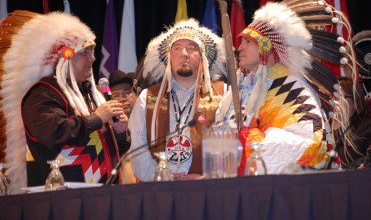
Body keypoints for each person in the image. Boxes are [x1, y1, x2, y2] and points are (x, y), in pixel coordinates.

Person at [216, 0, 358, 175]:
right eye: (240, 41)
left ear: (266, 47)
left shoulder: (290, 89)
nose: (239, 47)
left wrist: (245, 140)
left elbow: (306, 145)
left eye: (248, 42)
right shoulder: (239, 89)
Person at [0, 11, 129, 193]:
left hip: (100, 195)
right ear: (64, 57)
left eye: (92, 50)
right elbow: (53, 132)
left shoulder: (91, 95)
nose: (92, 57)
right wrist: (97, 118)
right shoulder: (43, 93)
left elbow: (103, 148)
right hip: (62, 200)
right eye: (84, 51)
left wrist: (119, 134)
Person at [128, 19, 226, 181]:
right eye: (178, 48)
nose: (184, 54)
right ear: (169, 56)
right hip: (159, 193)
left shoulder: (223, 94)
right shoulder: (147, 98)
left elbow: (229, 146)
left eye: (191, 48)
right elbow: (137, 149)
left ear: (203, 57)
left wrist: (206, 178)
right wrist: (162, 178)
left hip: (207, 191)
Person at [333, 77, 371, 168]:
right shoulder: (321, 129)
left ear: (355, 101)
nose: (334, 101)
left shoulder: (369, 128)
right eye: (331, 96)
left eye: (340, 97)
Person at [108, 69, 137, 183]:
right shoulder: (109, 130)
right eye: (116, 95)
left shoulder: (149, 120)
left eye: (127, 92)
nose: (122, 99)